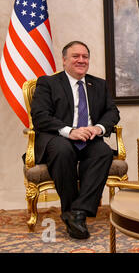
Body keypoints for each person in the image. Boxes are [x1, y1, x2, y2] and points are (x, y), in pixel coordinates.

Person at [30, 41, 120, 239]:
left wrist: (98, 128)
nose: (81, 60)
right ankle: (72, 211)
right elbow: (40, 116)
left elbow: (112, 112)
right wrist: (69, 131)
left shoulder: (98, 84)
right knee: (63, 150)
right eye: (75, 56)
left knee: (103, 152)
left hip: (88, 138)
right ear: (64, 60)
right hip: (58, 137)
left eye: (85, 56)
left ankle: (76, 213)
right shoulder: (48, 83)